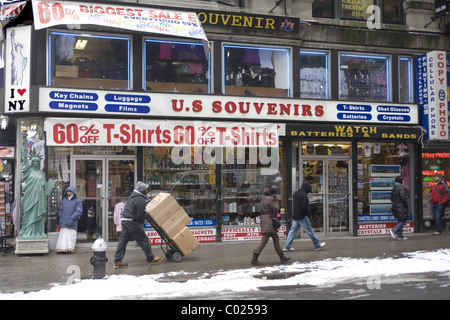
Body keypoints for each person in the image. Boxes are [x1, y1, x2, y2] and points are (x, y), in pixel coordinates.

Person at [113, 181, 162, 268]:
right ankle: (150, 258)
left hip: (124, 221)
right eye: (146, 189)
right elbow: (140, 214)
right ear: (142, 190)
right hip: (132, 222)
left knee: (122, 242)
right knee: (143, 240)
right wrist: (142, 221)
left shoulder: (133, 196)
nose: (147, 190)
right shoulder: (139, 199)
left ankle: (117, 261)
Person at [251, 188, 290, 266]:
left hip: (266, 220)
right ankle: (254, 259)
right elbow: (276, 209)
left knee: (276, 238)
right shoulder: (271, 199)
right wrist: (276, 201)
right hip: (268, 221)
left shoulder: (264, 198)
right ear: (273, 194)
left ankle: (282, 257)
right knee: (264, 240)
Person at [283, 181, 325, 252]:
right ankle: (317, 245)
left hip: (295, 215)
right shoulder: (304, 195)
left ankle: (286, 247)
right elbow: (304, 207)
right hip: (302, 216)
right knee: (309, 231)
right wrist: (308, 214)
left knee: (292, 231)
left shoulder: (295, 194)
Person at [56, 186, 83, 253]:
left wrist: (72, 218)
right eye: (67, 191)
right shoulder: (64, 200)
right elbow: (61, 209)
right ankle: (62, 248)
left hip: (72, 222)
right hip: (64, 221)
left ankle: (70, 248)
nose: (68, 192)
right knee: (63, 236)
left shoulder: (77, 201)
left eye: (70, 191)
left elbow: (78, 212)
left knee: (71, 236)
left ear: (73, 192)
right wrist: (61, 217)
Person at [389, 176, 409, 240]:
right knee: (403, 221)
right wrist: (406, 204)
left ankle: (400, 236)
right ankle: (394, 230)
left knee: (400, 220)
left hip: (396, 207)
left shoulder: (394, 188)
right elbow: (403, 198)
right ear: (402, 181)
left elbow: (391, 198)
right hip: (401, 207)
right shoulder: (402, 188)